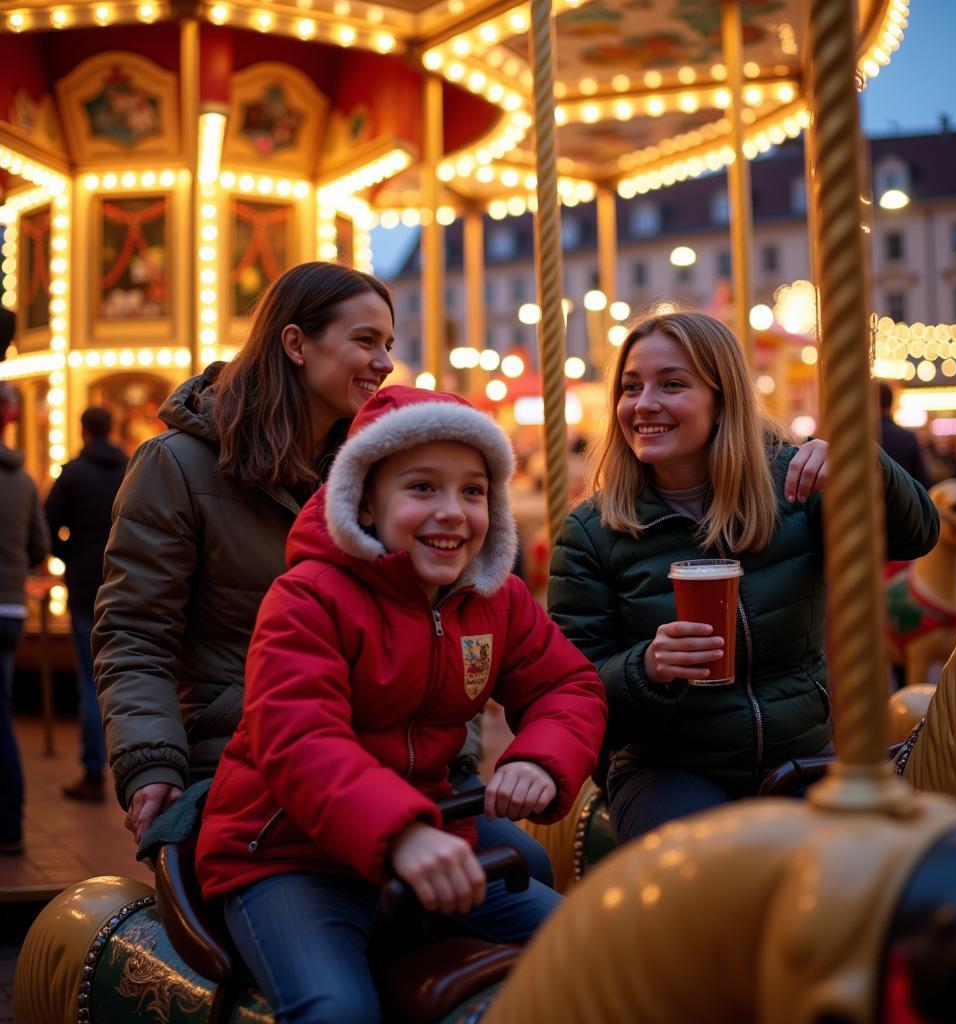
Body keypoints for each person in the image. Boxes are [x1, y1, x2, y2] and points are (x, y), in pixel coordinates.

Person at [93, 261, 553, 884]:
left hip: (388, 768)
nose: (385, 361)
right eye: (365, 341)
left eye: (388, 344)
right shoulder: (178, 467)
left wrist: (461, 755)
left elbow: (444, 618)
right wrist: (152, 763)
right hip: (244, 759)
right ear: (295, 343)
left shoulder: (379, 472)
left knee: (524, 864)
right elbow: (135, 632)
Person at [195, 385, 607, 1024]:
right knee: (335, 1009)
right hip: (293, 853)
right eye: (422, 488)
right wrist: (401, 834)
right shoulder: (309, 599)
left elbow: (567, 685)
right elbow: (301, 739)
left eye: (473, 491)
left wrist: (540, 759)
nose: (453, 512)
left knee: (597, 949)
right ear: (365, 497)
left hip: (433, 829)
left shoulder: (493, 598)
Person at [547, 311, 939, 844]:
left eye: (672, 384)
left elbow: (916, 535)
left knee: (869, 873)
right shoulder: (591, 531)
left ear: (721, 397)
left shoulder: (793, 488)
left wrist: (859, 461)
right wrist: (646, 667)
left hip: (799, 753)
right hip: (669, 767)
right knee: (706, 869)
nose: (644, 404)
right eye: (631, 387)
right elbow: (572, 684)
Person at [44, 406, 128, 802]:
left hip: (82, 587)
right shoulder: (130, 468)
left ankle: (93, 770)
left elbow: (47, 523)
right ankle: (130, 764)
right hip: (123, 583)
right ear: (110, 429)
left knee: (90, 680)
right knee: (129, 675)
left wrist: (69, 553)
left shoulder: (73, 474)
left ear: (83, 431)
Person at [0, 383, 50, 854]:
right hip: (12, 606)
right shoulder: (22, 480)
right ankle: (11, 819)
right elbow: (40, 545)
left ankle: (10, 820)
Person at [878, 381, 930, 487]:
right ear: (891, 404)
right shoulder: (907, 438)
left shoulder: (863, 440)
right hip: (902, 500)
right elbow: (923, 479)